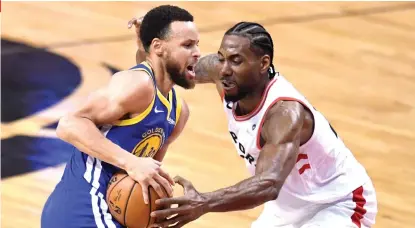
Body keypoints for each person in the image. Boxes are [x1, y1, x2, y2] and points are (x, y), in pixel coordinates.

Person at [149, 22, 378, 228]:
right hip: (288, 208)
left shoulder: (284, 114)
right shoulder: (223, 74)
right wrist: (151, 43)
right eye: (221, 58)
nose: (225, 69)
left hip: (339, 202)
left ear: (263, 63)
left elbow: (269, 184)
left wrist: (204, 202)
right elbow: (172, 68)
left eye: (236, 61)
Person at [41, 5, 201, 228]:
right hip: (83, 208)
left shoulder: (178, 111)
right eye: (187, 45)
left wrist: (155, 211)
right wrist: (131, 162)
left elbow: (148, 173)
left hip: (110, 213)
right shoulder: (138, 84)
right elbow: (69, 124)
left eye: (197, 44)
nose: (197, 53)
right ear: (158, 47)